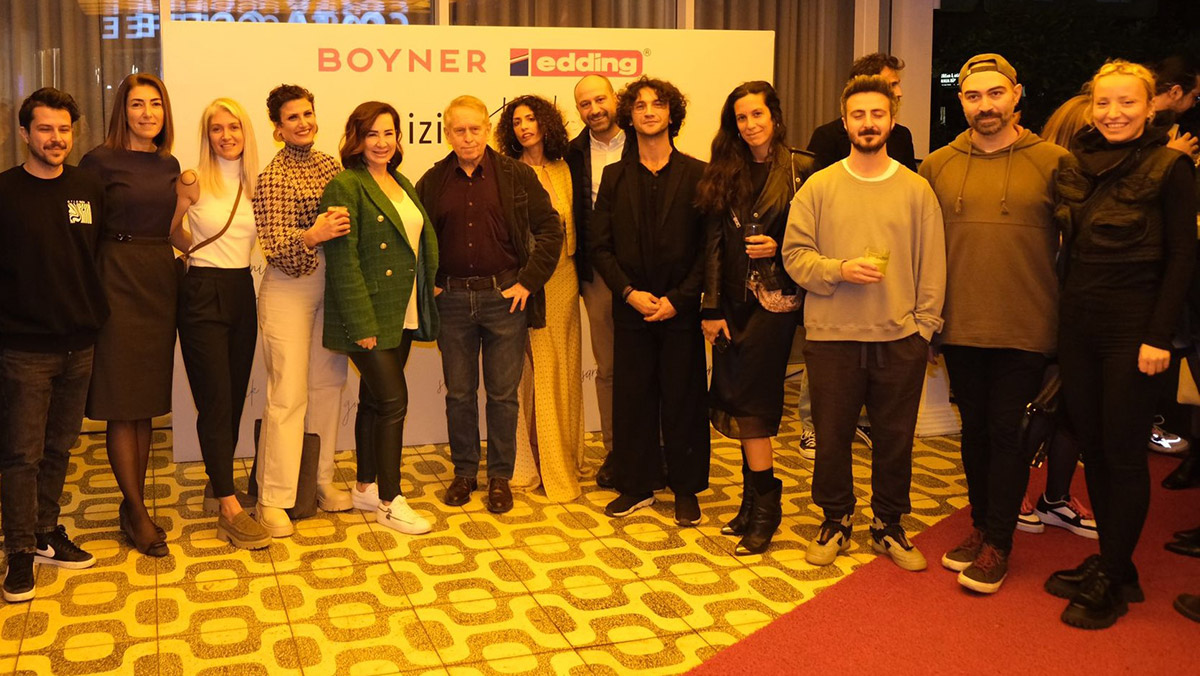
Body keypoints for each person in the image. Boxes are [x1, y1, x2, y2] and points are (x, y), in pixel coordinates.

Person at [1046, 59, 1195, 630]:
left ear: (1151, 105)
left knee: (1125, 454)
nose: (1114, 113)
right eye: (1103, 102)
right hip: (1079, 326)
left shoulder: (1170, 166)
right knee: (1095, 447)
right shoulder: (1075, 163)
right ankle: (1117, 565)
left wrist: (1159, 336)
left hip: (1134, 332)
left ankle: (1112, 576)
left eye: (1127, 102)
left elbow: (1182, 258)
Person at [919, 54, 1071, 593]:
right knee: (975, 432)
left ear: (1016, 94)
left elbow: (1079, 246)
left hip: (1026, 325)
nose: (985, 105)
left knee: (1008, 432)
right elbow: (922, 249)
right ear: (960, 101)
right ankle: (983, 526)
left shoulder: (1054, 162)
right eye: (973, 96)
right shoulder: (937, 166)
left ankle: (999, 543)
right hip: (960, 324)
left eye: (995, 93)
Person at [783, 74, 945, 573]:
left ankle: (888, 525)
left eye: (878, 114)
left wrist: (923, 329)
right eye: (859, 115)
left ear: (892, 120)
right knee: (831, 438)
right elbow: (794, 256)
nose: (868, 123)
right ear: (845, 122)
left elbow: (933, 264)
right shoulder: (818, 187)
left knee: (895, 441)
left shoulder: (917, 190)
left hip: (900, 340)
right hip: (832, 339)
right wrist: (838, 269)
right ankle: (835, 520)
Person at [415, 95, 562, 514]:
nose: (468, 137)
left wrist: (528, 282)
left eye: (475, 129)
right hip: (452, 302)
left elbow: (551, 230)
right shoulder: (432, 181)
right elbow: (415, 238)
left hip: (504, 301)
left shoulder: (516, 175)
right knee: (459, 395)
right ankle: (464, 473)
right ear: (447, 134)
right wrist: (431, 284)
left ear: (487, 129)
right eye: (459, 130)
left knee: (502, 396)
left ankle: (500, 477)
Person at [697, 81, 815, 554]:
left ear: (775, 116)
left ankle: (766, 508)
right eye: (741, 117)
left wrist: (780, 250)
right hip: (731, 304)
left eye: (757, 115)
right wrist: (710, 308)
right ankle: (752, 503)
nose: (750, 125)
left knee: (754, 405)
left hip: (776, 304)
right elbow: (712, 244)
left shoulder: (803, 169)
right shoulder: (724, 169)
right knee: (735, 399)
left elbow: (821, 240)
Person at [0, 88, 108, 602]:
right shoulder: (5, 192)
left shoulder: (88, 188)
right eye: (45, 129)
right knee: (21, 455)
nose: (56, 138)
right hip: (23, 349)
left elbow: (93, 257)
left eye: (64, 129)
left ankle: (45, 531)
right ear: (25, 133)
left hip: (79, 344)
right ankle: (19, 551)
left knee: (59, 447)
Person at [590, 76, 710, 526]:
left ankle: (686, 489)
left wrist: (680, 299)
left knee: (683, 400)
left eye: (657, 104)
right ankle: (636, 486)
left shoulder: (698, 174)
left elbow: (708, 248)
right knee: (633, 399)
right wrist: (628, 292)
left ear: (671, 113)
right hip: (632, 307)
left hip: (680, 310)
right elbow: (600, 246)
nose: (648, 111)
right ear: (630, 116)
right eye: (639, 106)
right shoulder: (614, 176)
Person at [320, 101, 439, 535]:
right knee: (393, 403)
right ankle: (391, 500)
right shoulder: (345, 185)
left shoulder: (400, 181)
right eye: (372, 134)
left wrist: (429, 286)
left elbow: (417, 243)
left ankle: (366, 487)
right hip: (367, 315)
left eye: (389, 133)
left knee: (374, 401)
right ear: (357, 138)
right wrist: (361, 324)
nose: (382, 142)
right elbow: (343, 261)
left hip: (400, 310)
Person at [80, 73, 180, 558]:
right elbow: (81, 227)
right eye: (137, 104)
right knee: (122, 401)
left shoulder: (169, 163)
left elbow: (173, 226)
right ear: (122, 110)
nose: (147, 113)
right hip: (115, 279)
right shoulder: (98, 161)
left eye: (155, 104)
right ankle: (137, 511)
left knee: (144, 402)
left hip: (158, 278)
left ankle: (132, 505)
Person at [252, 84, 354, 539]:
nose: (303, 123)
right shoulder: (273, 175)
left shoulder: (331, 165)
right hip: (288, 287)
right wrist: (313, 235)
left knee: (329, 384)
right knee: (288, 394)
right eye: (292, 117)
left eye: (307, 114)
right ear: (277, 128)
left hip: (329, 283)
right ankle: (273, 498)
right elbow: (275, 246)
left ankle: (320, 480)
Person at [172, 98, 269, 550]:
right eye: (217, 128)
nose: (226, 135)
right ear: (206, 135)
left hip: (241, 291)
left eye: (234, 127)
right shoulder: (192, 180)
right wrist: (197, 249)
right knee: (214, 400)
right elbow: (171, 230)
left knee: (232, 397)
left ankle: (218, 483)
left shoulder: (256, 184)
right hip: (202, 290)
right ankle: (229, 509)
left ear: (246, 132)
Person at [1012, 92, 1098, 540]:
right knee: (1039, 406)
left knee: (1074, 411)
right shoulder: (1046, 174)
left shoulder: (1102, 180)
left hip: (1089, 310)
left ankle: (1056, 498)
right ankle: (1013, 493)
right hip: (1044, 307)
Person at [496, 95, 585, 502]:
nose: (524, 127)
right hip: (528, 281)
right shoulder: (508, 173)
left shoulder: (567, 169)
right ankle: (534, 464)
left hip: (565, 279)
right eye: (516, 122)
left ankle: (563, 456)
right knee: (532, 375)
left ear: (545, 123)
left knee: (562, 370)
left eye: (530, 119)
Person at [566, 74, 637, 488]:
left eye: (599, 99)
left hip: (646, 272)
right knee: (608, 367)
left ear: (615, 98)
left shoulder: (643, 139)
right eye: (584, 104)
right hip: (598, 275)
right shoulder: (572, 153)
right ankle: (616, 451)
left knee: (649, 364)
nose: (594, 109)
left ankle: (654, 446)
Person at [806, 52, 918, 172]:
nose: (899, 92)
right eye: (892, 85)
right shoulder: (826, 137)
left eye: (878, 115)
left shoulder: (902, 136)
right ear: (866, 85)